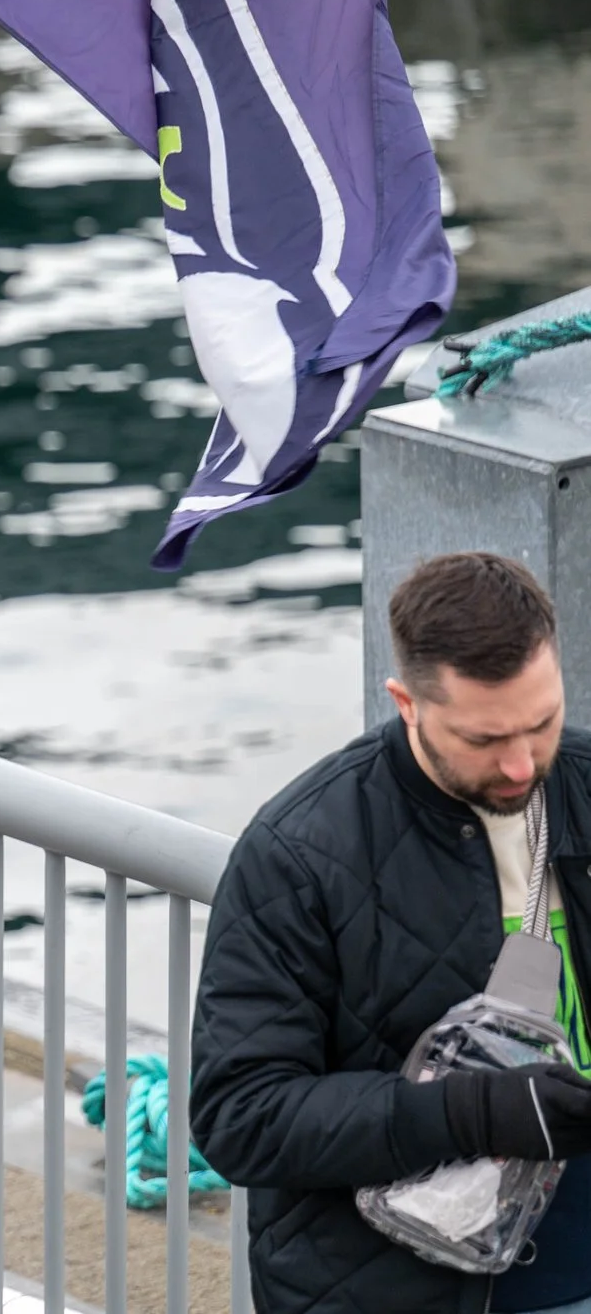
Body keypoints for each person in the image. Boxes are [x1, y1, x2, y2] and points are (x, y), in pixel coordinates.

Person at [195, 552, 591, 1314]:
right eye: (484, 738)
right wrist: (470, 1112)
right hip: (396, 1285)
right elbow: (240, 1115)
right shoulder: (298, 852)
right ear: (406, 702)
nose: (521, 763)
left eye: (542, 722)